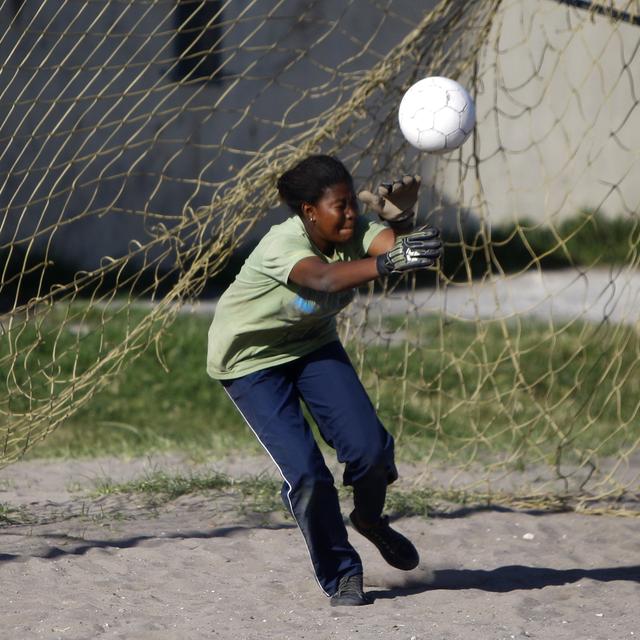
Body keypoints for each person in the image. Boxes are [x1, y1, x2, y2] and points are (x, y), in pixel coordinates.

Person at [206, 155, 442, 606]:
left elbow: (410, 254)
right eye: (341, 206)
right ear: (310, 212)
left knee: (369, 450)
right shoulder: (283, 244)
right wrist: (390, 261)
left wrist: (404, 222)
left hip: (311, 347)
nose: (352, 213)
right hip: (251, 362)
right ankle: (342, 575)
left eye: (354, 203)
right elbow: (327, 278)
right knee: (308, 477)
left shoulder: (355, 232)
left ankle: (370, 520)